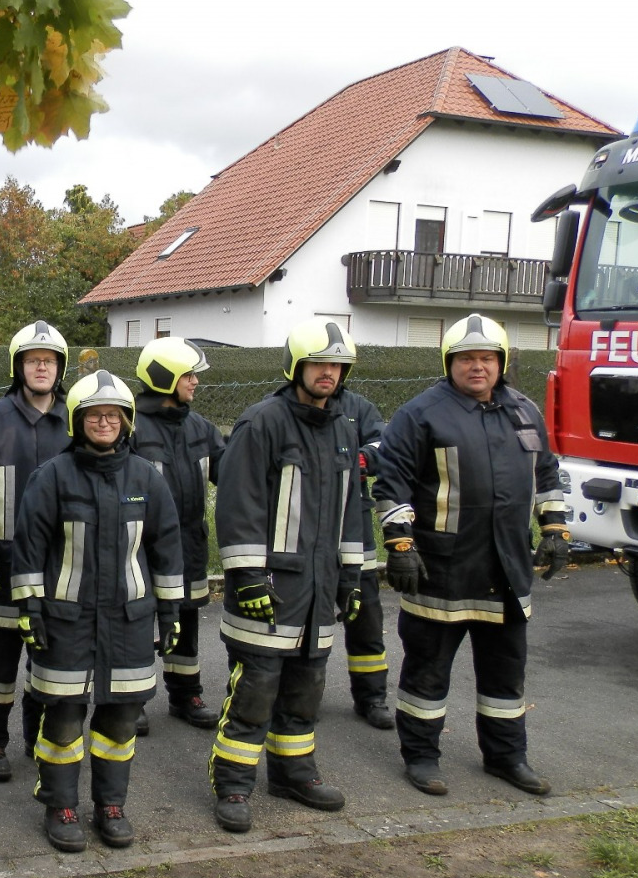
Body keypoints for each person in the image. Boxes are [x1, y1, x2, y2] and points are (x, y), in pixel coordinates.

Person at [373, 314, 569, 797]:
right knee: (427, 671)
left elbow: (546, 474)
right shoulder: (420, 414)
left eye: (486, 358)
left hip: (506, 568)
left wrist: (554, 528)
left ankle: (507, 757)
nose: (477, 367)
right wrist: (400, 545)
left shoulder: (525, 411)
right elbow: (392, 482)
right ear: (449, 363)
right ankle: (421, 757)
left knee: (506, 674)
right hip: (442, 569)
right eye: (466, 358)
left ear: (500, 363)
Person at [11, 370, 183, 852]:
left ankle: (111, 804)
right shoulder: (52, 477)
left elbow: (167, 548)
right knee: (64, 720)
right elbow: (29, 548)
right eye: (94, 415)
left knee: (121, 721)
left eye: (113, 415)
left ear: (127, 422)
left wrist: (170, 611)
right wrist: (30, 609)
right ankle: (60, 805)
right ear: (76, 421)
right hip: (66, 622)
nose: (104, 422)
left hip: (129, 621)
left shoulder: (146, 478)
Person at [209, 321, 364, 832]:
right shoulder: (262, 423)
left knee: (307, 687)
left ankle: (294, 773)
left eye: (337, 365)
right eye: (319, 363)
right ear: (296, 367)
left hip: (319, 590)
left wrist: (351, 576)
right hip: (270, 589)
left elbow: (351, 510)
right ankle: (233, 784)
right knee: (255, 690)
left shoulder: (343, 429)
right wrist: (248, 577)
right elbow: (239, 504)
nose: (328, 373)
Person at [0, 320, 71, 781]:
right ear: (18, 367)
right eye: (32, 360)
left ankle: (37, 738)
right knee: (0, 660)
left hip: (61, 567)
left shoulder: (75, 419)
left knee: (49, 657)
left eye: (48, 360)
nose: (41, 367)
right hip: (5, 569)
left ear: (60, 368)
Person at [131, 336, 225, 731]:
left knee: (185, 620)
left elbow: (230, 472)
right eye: (188, 375)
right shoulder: (131, 427)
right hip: (141, 550)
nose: (195, 382)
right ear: (164, 377)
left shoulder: (201, 427)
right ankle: (131, 699)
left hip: (189, 546)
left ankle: (186, 695)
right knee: (136, 620)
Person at [338, 386, 394, 729]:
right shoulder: (281, 409)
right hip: (304, 533)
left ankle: (371, 697)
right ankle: (294, 695)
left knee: (366, 620)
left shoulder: (358, 407)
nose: (328, 371)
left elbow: (382, 445)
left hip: (355, 532)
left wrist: (358, 459)